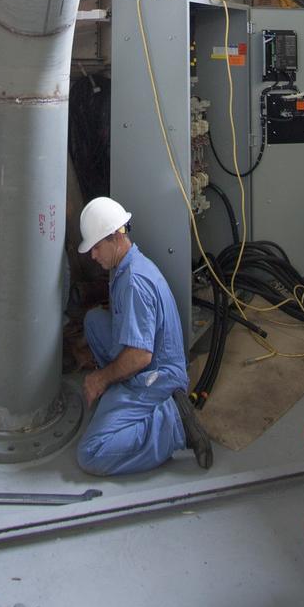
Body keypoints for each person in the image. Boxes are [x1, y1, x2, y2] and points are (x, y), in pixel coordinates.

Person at [75, 195, 213, 476]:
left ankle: (175, 422)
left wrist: (101, 378)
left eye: (96, 247)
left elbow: (140, 357)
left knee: (91, 453)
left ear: (115, 237)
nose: (93, 255)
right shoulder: (127, 265)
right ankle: (118, 394)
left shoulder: (134, 283)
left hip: (156, 375)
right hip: (148, 357)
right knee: (94, 321)